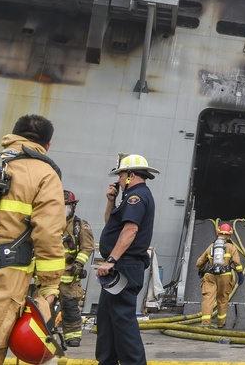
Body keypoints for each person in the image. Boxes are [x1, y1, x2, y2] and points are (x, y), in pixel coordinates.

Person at [0, 114, 64, 365]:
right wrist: (50, 285)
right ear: (47, 145)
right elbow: (48, 233)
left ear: (11, 136)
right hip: (5, 273)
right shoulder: (44, 173)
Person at [95, 154, 157, 365]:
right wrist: (111, 201)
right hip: (120, 265)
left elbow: (130, 230)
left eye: (121, 175)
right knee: (107, 320)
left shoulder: (136, 197)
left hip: (124, 265)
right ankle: (107, 361)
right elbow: (112, 225)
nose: (119, 180)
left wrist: (111, 260)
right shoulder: (127, 198)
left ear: (130, 175)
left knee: (122, 320)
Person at [61, 189, 95, 348]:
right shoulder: (47, 224)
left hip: (69, 278)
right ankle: (41, 336)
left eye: (67, 207)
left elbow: (87, 248)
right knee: (41, 309)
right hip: (47, 276)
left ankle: (72, 336)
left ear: (73, 207)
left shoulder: (80, 225)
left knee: (70, 308)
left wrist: (78, 264)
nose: (63, 211)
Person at [195, 222, 244, 328]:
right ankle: (221, 323)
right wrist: (240, 274)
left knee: (208, 298)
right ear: (229, 235)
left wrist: (202, 269)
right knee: (222, 299)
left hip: (210, 276)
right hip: (225, 276)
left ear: (218, 233)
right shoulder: (231, 247)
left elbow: (199, 263)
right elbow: (236, 262)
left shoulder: (211, 246)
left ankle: (205, 323)